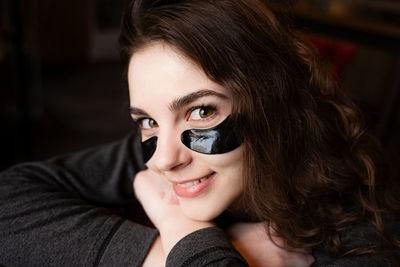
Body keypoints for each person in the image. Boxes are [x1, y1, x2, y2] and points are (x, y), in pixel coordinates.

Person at [1, 0, 399, 266]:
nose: (163, 160)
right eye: (147, 121)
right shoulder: (162, 151)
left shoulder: (368, 237)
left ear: (273, 104)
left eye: (201, 111)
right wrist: (176, 242)